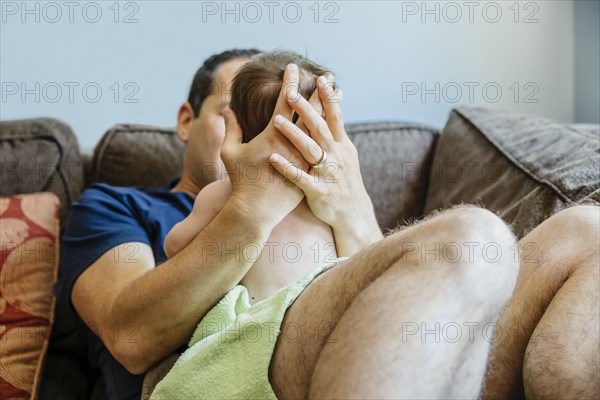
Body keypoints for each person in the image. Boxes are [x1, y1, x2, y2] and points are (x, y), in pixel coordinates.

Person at [54, 48, 600, 399]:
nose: (280, 139)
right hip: (231, 360)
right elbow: (129, 334)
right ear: (186, 121)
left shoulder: (333, 200)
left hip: (387, 352)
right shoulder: (115, 205)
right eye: (259, 122)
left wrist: (352, 204)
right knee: (471, 237)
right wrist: (252, 205)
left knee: (588, 230)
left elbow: (408, 294)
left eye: (298, 122)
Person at [164, 50, 339, 305]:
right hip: (323, 307)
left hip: (268, 316)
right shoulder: (321, 192)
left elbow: (173, 246)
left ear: (237, 131)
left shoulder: (220, 194)